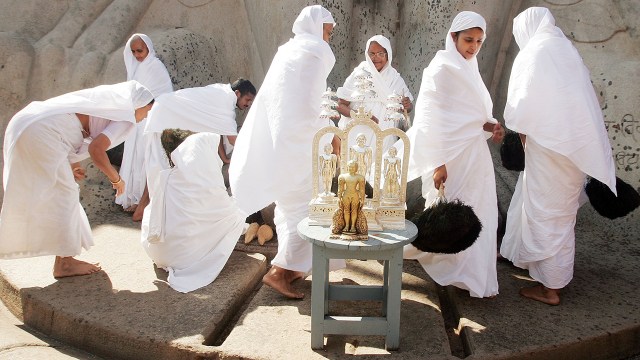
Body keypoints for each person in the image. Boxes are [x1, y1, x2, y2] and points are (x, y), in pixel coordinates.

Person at [499, 7, 617, 306]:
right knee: (559, 214)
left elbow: (521, 109)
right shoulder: (565, 49)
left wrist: (524, 142)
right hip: (574, 150)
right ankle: (533, 266)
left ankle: (550, 289)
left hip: (548, 149)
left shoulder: (533, 53)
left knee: (544, 213)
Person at [229, 5, 344, 299]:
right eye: (327, 32)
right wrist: (331, 133)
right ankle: (279, 272)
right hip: (302, 145)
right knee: (307, 210)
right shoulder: (313, 54)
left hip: (283, 143)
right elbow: (312, 105)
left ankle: (292, 269)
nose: (327, 40)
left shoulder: (287, 51)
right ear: (316, 28)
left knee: (293, 208)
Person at [0, 81, 154, 278]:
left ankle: (61, 257)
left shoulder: (101, 105)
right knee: (65, 195)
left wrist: (72, 164)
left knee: (51, 193)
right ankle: (65, 263)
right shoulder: (125, 117)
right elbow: (96, 149)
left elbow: (73, 127)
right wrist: (117, 179)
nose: (145, 118)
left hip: (26, 124)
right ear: (136, 104)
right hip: (42, 132)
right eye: (147, 111)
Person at [402, 11, 504, 298]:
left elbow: (471, 117)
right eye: (468, 40)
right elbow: (431, 120)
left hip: (475, 156)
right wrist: (439, 163)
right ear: (453, 37)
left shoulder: (470, 68)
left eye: (479, 41)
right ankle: (452, 269)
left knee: (480, 211)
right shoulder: (441, 69)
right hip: (450, 157)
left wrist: (492, 126)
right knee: (452, 213)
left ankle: (470, 277)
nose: (473, 47)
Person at [132, 78, 256, 221]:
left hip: (166, 112)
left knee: (162, 168)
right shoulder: (225, 100)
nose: (248, 104)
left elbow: (218, 130)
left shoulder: (222, 94)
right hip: (164, 116)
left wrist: (224, 158)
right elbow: (232, 138)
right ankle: (145, 210)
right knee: (160, 169)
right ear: (238, 93)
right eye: (247, 100)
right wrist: (253, 151)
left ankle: (145, 207)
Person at [141, 130, 248, 293]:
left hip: (157, 252)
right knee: (238, 216)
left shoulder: (166, 177)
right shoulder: (207, 180)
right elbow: (227, 216)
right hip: (185, 258)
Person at [116, 34, 173, 213]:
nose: (137, 55)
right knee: (134, 158)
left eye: (140, 51)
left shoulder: (156, 67)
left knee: (145, 159)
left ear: (148, 47)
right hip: (136, 120)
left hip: (151, 120)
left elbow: (164, 95)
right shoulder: (137, 68)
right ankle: (133, 198)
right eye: (133, 52)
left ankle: (144, 201)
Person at [336, 35, 413, 153]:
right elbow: (340, 105)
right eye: (372, 54)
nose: (376, 58)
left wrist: (407, 105)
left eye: (380, 54)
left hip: (385, 137)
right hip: (357, 135)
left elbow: (406, 107)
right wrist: (359, 115)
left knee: (380, 169)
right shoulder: (359, 73)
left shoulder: (395, 78)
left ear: (388, 55)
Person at [336, 160, 366, 234]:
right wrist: (339, 198)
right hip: (346, 195)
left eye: (353, 167)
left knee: (354, 211)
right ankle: (346, 225)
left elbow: (362, 189)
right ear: (347, 167)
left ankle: (353, 226)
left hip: (355, 195)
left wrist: (362, 200)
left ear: (356, 168)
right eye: (350, 167)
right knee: (346, 210)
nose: (351, 168)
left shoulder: (360, 177)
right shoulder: (343, 176)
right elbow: (340, 189)